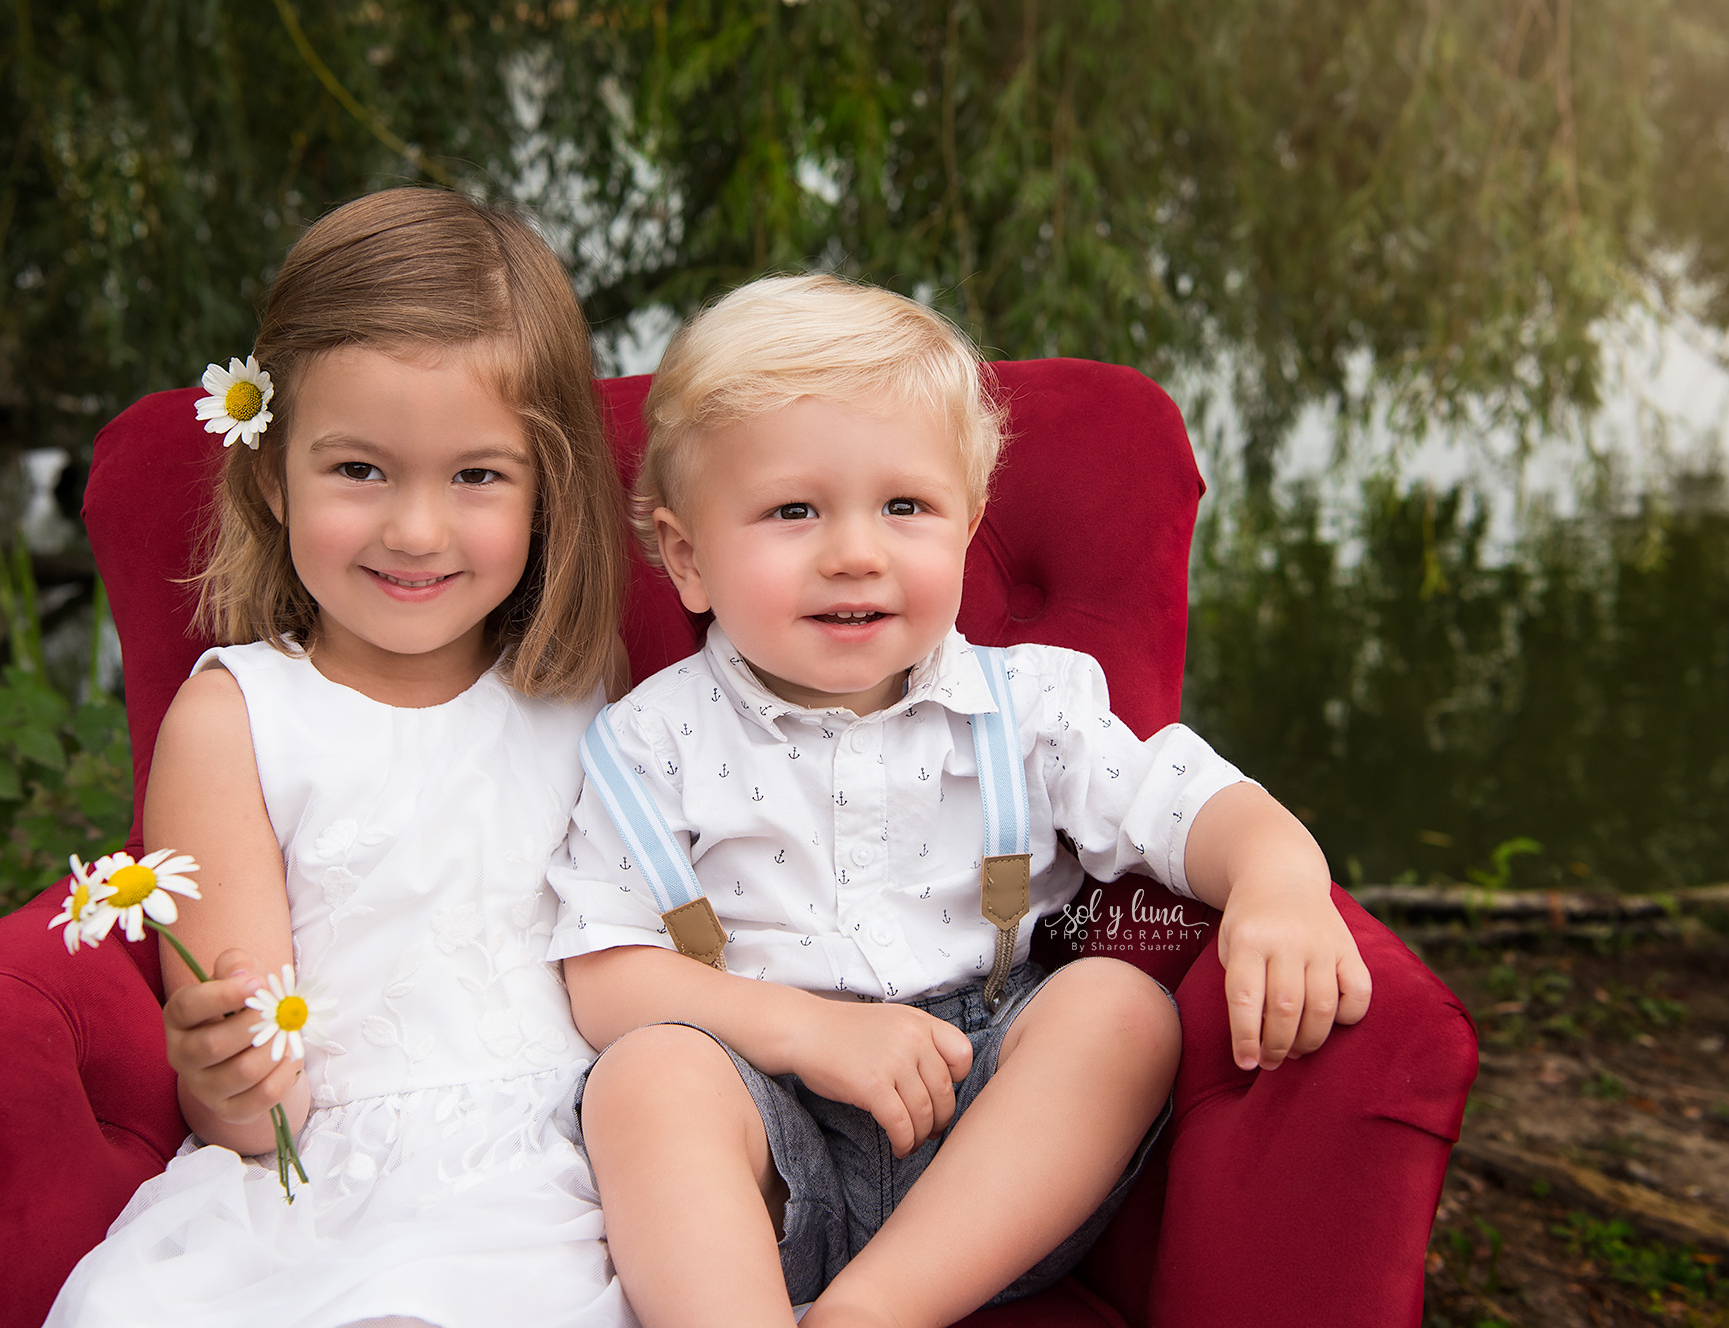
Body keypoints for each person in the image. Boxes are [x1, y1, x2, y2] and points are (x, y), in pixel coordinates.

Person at [546, 275, 1375, 1328]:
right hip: (767, 1130)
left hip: (986, 1148)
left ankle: (874, 1312)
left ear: (966, 523)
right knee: (646, 1075)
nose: (855, 548)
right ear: (686, 555)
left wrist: (1277, 875)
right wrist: (800, 1032)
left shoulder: (1028, 703)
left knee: (1116, 1010)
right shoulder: (648, 741)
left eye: (905, 506)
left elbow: (1186, 800)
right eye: (792, 510)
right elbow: (602, 975)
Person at [46, 188, 637, 1328]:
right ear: (270, 473)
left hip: (563, 1165)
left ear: (545, 489)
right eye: (359, 470)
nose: (414, 530)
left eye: (476, 476)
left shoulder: (585, 695)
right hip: (330, 1174)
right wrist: (224, 1078)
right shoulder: (237, 719)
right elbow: (254, 1091)